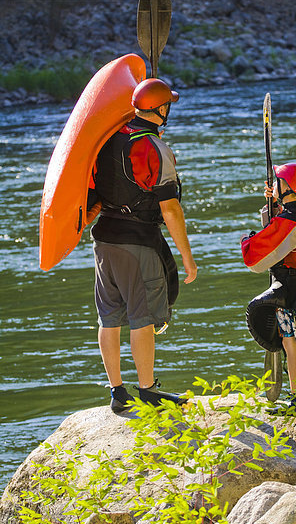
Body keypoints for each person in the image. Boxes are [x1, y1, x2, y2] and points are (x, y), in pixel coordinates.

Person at [90, 78, 197, 414]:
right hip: (138, 242)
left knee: (109, 318)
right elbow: (170, 209)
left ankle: (117, 392)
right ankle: (148, 390)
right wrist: (187, 258)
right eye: (168, 106)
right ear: (161, 109)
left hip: (104, 237)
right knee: (143, 319)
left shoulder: (108, 137)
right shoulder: (155, 149)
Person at [241, 162, 296, 414]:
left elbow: (267, 243)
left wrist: (248, 240)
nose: (274, 184)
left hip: (288, 289)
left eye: (278, 181)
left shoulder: (289, 219)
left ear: (287, 187)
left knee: (289, 341)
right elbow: (279, 226)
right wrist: (272, 205)